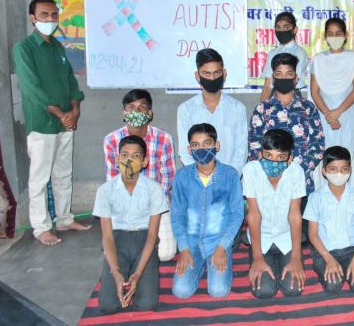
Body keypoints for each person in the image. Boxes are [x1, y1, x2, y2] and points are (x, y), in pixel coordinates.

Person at [12, 0, 90, 245]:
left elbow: (70, 81)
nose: (50, 19)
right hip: (43, 124)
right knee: (40, 177)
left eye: (53, 15)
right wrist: (61, 114)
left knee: (63, 174)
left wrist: (74, 110)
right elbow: (32, 88)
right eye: (44, 15)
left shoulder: (57, 47)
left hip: (65, 123)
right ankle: (41, 227)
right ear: (33, 18)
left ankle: (64, 219)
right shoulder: (24, 49)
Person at [93, 135, 168, 313]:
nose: (129, 160)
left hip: (144, 239)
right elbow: (107, 237)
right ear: (117, 159)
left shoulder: (154, 189)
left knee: (147, 304)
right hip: (117, 240)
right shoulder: (105, 191)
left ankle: (135, 272)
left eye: (136, 156)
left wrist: (138, 274)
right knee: (107, 305)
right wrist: (115, 272)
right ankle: (121, 273)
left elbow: (152, 235)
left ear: (144, 162)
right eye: (125, 155)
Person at [171, 123, 244, 299]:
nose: (201, 149)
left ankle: (223, 257)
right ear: (189, 149)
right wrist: (184, 248)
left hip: (218, 241)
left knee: (219, 291)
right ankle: (198, 265)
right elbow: (178, 214)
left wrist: (222, 246)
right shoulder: (182, 176)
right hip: (191, 242)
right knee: (181, 291)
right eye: (195, 145)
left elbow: (237, 214)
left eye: (207, 143)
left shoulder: (230, 175)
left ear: (216, 145)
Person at [103, 89, 177, 261]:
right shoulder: (112, 140)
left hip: (156, 205)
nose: (136, 112)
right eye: (131, 107)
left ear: (150, 113)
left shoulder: (163, 139)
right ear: (124, 113)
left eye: (142, 107)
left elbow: (167, 180)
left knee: (165, 254)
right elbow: (113, 181)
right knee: (115, 255)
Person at [243, 129, 306, 298]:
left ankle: (284, 261)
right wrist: (257, 257)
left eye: (280, 157)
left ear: (289, 159)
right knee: (264, 291)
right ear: (260, 154)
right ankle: (267, 261)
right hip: (260, 238)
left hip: (287, 237)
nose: (274, 161)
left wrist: (296, 258)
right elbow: (254, 215)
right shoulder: (250, 170)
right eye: (268, 155)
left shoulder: (296, 172)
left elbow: (294, 216)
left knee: (293, 289)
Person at [249, 52, 324, 193]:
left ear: (296, 79)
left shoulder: (308, 108)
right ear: (273, 78)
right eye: (279, 74)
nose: (284, 78)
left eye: (289, 74)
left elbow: (317, 145)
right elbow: (254, 146)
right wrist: (273, 172)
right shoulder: (262, 109)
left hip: (301, 182)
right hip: (269, 184)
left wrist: (298, 171)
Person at [304, 146, 354, 294]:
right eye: (333, 169)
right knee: (333, 286)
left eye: (344, 169)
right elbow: (313, 234)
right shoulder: (315, 198)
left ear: (350, 170)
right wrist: (328, 259)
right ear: (324, 171)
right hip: (324, 251)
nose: (339, 174)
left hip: (350, 251)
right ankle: (322, 265)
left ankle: (352, 264)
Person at [310, 18, 354, 187]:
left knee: (349, 159)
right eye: (330, 34)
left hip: (347, 117)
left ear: (345, 35)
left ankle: (349, 200)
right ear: (325, 37)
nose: (334, 37)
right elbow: (314, 92)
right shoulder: (318, 60)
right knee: (325, 159)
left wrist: (336, 113)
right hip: (324, 117)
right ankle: (323, 201)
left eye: (338, 34)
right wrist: (329, 115)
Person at [177, 48, 247, 175]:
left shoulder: (237, 108)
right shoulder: (185, 109)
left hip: (229, 180)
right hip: (197, 180)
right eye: (206, 74)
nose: (213, 78)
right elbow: (184, 152)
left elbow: (241, 152)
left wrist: (228, 178)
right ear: (197, 76)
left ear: (224, 74)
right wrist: (201, 177)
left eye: (217, 73)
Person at [260, 11, 309, 101]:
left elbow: (291, 82)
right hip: (274, 95)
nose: (282, 31)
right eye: (278, 27)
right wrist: (262, 105)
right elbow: (267, 84)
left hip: (294, 96)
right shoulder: (273, 53)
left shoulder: (300, 53)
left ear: (294, 29)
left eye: (286, 27)